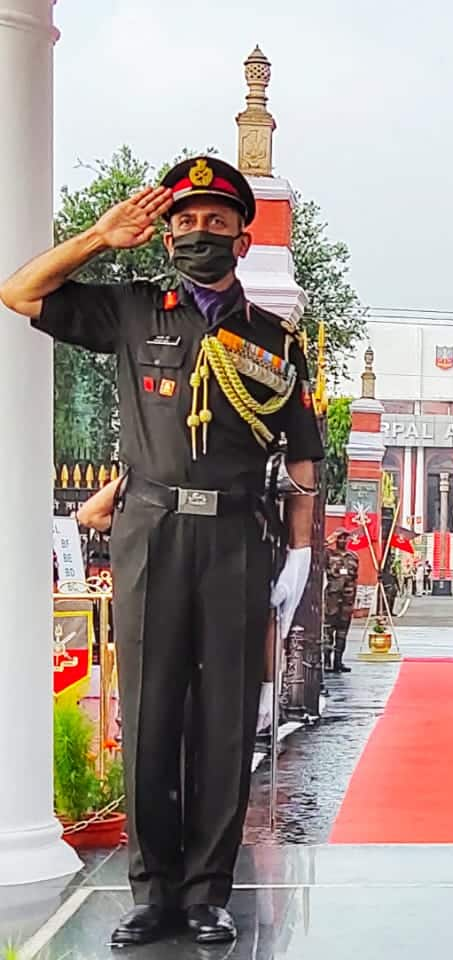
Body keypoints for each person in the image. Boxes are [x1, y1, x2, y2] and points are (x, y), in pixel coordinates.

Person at [2, 156, 324, 947]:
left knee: (222, 722)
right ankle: (152, 892)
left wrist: (301, 556)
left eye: (217, 222)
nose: (199, 234)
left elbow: (305, 457)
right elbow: (22, 292)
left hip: (236, 539)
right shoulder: (134, 309)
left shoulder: (274, 340)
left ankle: (210, 889)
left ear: (243, 240)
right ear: (168, 233)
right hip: (151, 531)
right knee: (149, 713)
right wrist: (98, 239)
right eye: (185, 221)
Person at [324, 530, 360, 672]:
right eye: (340, 538)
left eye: (345, 538)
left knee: (342, 632)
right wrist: (329, 539)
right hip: (331, 599)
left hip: (347, 601)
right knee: (327, 631)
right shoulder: (328, 555)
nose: (343, 541)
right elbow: (317, 551)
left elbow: (355, 578)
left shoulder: (353, 557)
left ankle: (338, 661)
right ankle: (326, 661)